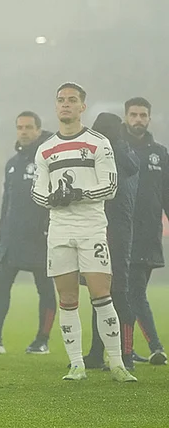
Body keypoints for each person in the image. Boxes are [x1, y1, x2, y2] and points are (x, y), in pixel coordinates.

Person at [31, 83, 136, 382]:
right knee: (67, 299)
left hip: (91, 229)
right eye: (61, 100)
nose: (65, 104)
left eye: (72, 100)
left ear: (82, 107)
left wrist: (77, 193)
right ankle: (76, 364)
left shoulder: (98, 142)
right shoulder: (45, 149)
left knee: (102, 297)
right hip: (60, 230)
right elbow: (37, 192)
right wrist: (52, 198)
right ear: (56, 106)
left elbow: (110, 187)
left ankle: (117, 363)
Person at [0, 111, 56, 355]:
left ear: (39, 130)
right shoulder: (12, 163)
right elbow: (7, 202)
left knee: (45, 289)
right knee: (1, 286)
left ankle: (42, 340)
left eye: (29, 127)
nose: (24, 131)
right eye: (20, 127)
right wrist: (1, 234)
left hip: (40, 237)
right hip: (12, 238)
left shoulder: (47, 159)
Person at [78, 112, 139, 370]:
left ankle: (124, 355)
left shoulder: (112, 156)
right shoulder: (126, 155)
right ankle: (102, 352)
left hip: (110, 230)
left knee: (114, 294)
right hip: (110, 230)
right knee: (102, 294)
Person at [123, 97, 168, 365]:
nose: (138, 119)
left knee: (134, 293)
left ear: (149, 118)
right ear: (126, 117)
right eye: (133, 115)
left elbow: (167, 194)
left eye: (143, 115)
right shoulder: (117, 149)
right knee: (135, 292)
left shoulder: (160, 153)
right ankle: (155, 346)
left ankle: (127, 350)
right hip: (124, 234)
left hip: (150, 234)